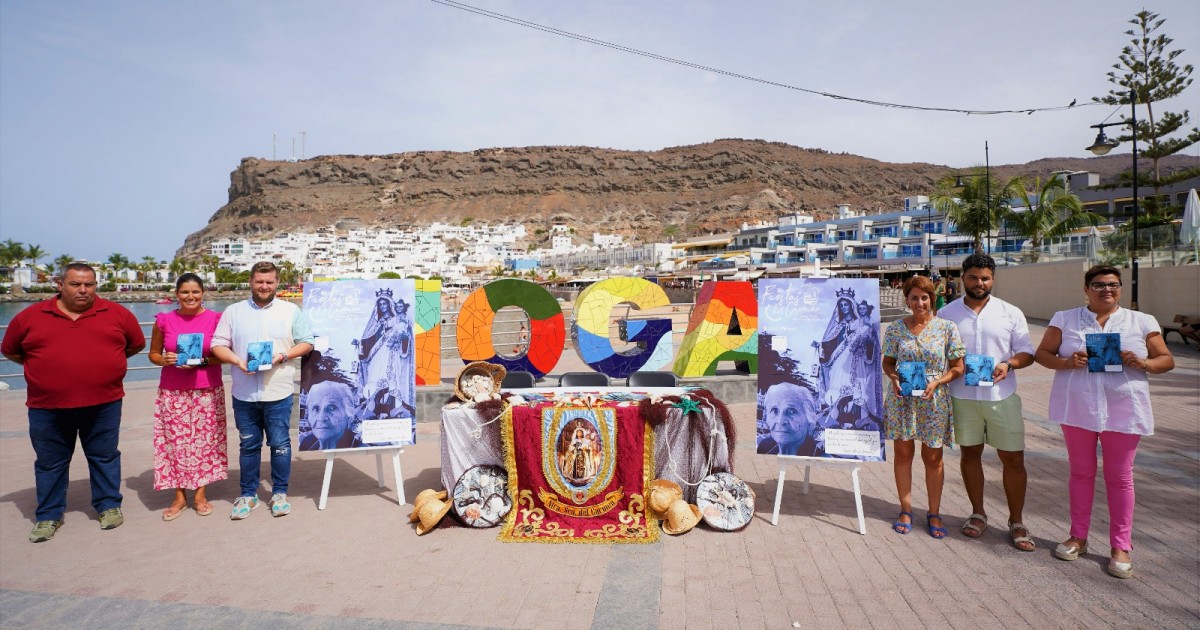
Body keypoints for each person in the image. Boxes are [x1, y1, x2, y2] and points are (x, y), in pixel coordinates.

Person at [1034, 265, 1174, 579]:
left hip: (1123, 409)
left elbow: (1166, 359)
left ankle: (1120, 546)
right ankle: (1078, 536)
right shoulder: (1065, 318)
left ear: (1120, 288)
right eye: (1098, 284)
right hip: (1078, 409)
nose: (1106, 290)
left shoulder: (1141, 321)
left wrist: (1143, 363)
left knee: (1120, 477)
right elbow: (1042, 353)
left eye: (1112, 284)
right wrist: (1067, 362)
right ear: (1086, 289)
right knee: (1081, 473)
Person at [1, 264, 146, 542]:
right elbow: (11, 350)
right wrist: (45, 371)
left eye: (89, 284)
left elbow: (134, 345)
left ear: (95, 285)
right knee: (50, 463)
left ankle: (108, 506)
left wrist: (105, 367)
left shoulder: (117, 314)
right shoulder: (30, 316)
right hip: (47, 406)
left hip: (104, 403)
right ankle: (48, 515)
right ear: (59, 284)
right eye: (76, 284)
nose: (83, 290)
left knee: (104, 457)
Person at [939, 254, 1037, 550]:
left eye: (985, 278)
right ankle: (978, 513)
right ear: (962, 278)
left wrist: (1009, 364)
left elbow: (1027, 352)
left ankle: (1017, 521)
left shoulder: (1011, 312)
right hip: (962, 396)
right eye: (973, 277)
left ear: (993, 279)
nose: (979, 283)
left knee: (1013, 459)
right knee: (970, 455)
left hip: (1001, 396)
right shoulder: (947, 314)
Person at [211, 261, 314, 520]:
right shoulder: (233, 311)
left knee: (279, 444)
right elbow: (217, 345)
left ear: (277, 283)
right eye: (259, 281)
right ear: (251, 282)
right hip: (244, 393)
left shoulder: (291, 311)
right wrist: (237, 361)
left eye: (269, 281)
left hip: (278, 391)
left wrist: (283, 355)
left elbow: (307, 342)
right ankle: (248, 495)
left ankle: (279, 493)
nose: (264, 286)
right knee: (248, 446)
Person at [881, 275, 965, 538]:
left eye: (925, 297)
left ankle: (934, 512)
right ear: (907, 299)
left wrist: (938, 381)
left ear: (932, 299)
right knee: (903, 456)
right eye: (914, 297)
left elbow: (959, 367)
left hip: (934, 400)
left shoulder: (946, 328)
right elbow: (888, 363)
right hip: (902, 400)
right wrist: (894, 377)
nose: (920, 302)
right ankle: (905, 509)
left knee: (933, 458)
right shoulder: (895, 329)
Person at [147, 273, 227, 521]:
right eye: (185, 292)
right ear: (177, 294)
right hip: (172, 390)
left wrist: (201, 361)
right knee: (174, 443)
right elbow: (153, 354)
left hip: (207, 389)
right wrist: (165, 359)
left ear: (203, 293)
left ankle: (200, 494)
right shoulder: (164, 320)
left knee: (206, 441)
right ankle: (179, 496)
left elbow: (224, 354)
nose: (190, 297)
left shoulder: (216, 319)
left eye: (195, 292)